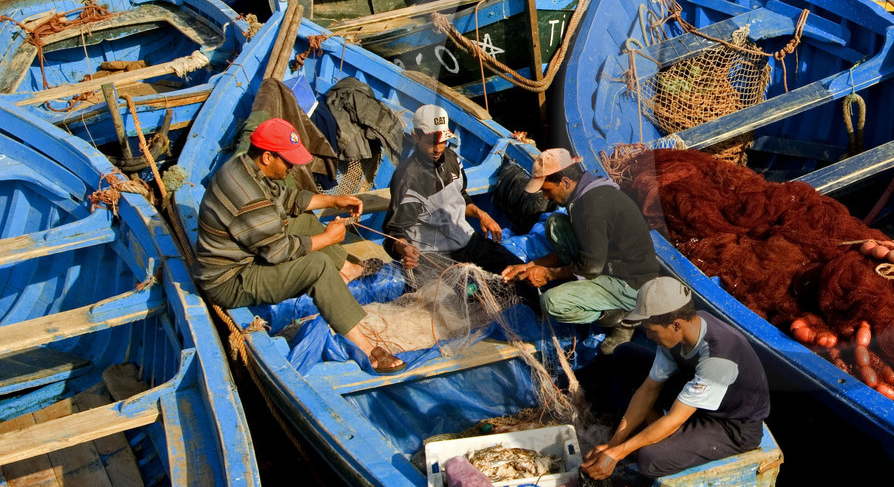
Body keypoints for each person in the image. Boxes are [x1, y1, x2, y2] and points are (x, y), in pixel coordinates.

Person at [195, 118, 406, 374]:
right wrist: (328, 238)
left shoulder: (243, 165)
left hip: (240, 256)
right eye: (288, 161)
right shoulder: (249, 198)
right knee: (317, 266)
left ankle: (348, 270)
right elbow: (279, 252)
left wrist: (335, 201)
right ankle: (366, 349)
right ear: (267, 157)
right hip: (230, 281)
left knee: (303, 219)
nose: (293, 167)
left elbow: (288, 199)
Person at [582, 277, 769, 480]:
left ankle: (664, 438)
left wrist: (619, 454)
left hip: (730, 425)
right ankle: (659, 432)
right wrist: (614, 445)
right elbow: (649, 389)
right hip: (695, 392)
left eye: (652, 330)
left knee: (649, 458)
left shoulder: (718, 357)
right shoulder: (684, 328)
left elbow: (674, 419)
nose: (648, 336)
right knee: (626, 354)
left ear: (676, 326)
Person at [501, 148, 659, 353]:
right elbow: (587, 250)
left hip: (631, 282)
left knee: (551, 303)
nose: (545, 197)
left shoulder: (589, 210)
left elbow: (591, 267)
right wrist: (530, 265)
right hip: (607, 260)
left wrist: (548, 275)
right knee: (555, 224)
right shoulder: (588, 191)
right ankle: (581, 286)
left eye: (547, 190)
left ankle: (622, 317)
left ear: (565, 182)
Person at [383, 105, 522, 282]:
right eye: (431, 142)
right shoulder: (407, 177)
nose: (438, 149)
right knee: (454, 293)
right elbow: (394, 233)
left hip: (465, 239)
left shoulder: (452, 158)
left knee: (517, 270)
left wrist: (482, 214)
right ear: (415, 136)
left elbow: (461, 196)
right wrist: (404, 249)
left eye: (443, 141)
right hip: (432, 254)